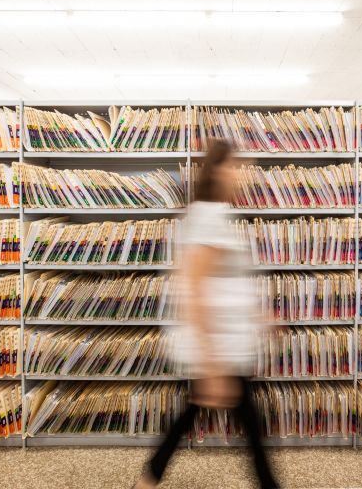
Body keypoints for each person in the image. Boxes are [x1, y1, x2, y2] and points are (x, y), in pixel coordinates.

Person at [134, 140, 279, 489]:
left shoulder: (215, 214)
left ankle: (149, 478)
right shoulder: (208, 217)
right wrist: (211, 362)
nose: (242, 176)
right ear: (217, 170)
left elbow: (224, 280)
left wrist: (260, 319)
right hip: (217, 345)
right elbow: (194, 289)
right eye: (236, 167)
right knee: (249, 426)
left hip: (225, 340)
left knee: (195, 414)